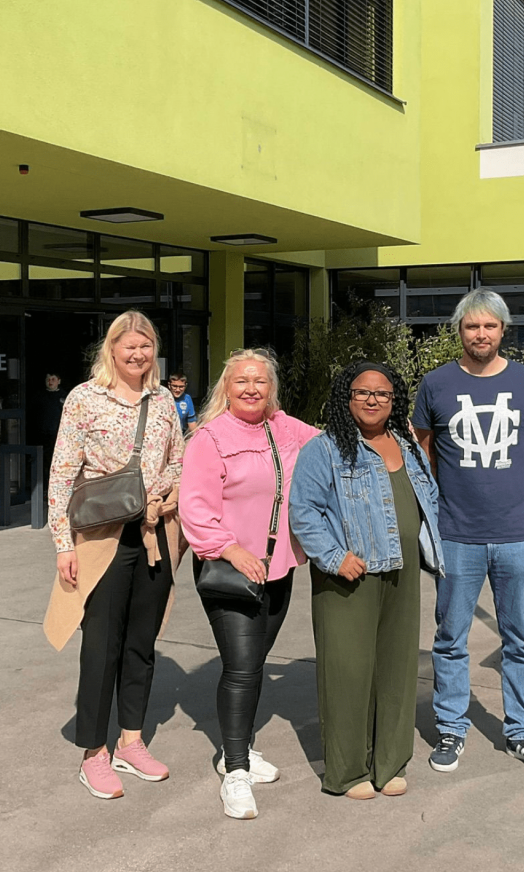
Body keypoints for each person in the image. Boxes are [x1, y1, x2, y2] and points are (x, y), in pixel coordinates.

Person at [413, 289, 524, 777]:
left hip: (517, 533)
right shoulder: (435, 384)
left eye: (490, 327)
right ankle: (451, 727)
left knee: (520, 639)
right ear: (460, 331)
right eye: (472, 326)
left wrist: (507, 486)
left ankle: (521, 733)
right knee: (450, 638)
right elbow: (424, 454)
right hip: (456, 534)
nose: (481, 335)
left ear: (503, 330)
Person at [43, 311, 185, 800]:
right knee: (101, 645)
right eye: (129, 347)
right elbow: (62, 473)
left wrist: (160, 491)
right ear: (111, 350)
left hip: (153, 535)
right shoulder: (85, 399)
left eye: (145, 347)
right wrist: (63, 544)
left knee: (141, 643)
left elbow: (179, 460)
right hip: (100, 537)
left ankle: (130, 740)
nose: (138, 355)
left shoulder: (164, 400)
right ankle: (93, 754)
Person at [290, 361, 444, 800]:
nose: (373, 400)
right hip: (349, 576)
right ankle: (348, 770)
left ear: (394, 401)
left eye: (383, 393)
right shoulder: (325, 449)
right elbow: (304, 511)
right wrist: (334, 558)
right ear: (346, 397)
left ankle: (390, 761)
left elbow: (427, 497)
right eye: (363, 392)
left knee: (397, 668)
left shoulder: (407, 444)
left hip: (403, 570)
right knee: (348, 672)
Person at [179, 349, 317, 820]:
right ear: (226, 387)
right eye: (242, 381)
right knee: (240, 667)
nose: (251, 389)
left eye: (260, 381)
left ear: (271, 387)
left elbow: (330, 445)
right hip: (231, 570)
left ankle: (237, 748)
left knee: (254, 664)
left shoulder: (285, 428)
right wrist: (233, 549)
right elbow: (195, 508)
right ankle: (235, 771)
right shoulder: (209, 438)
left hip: (279, 567)